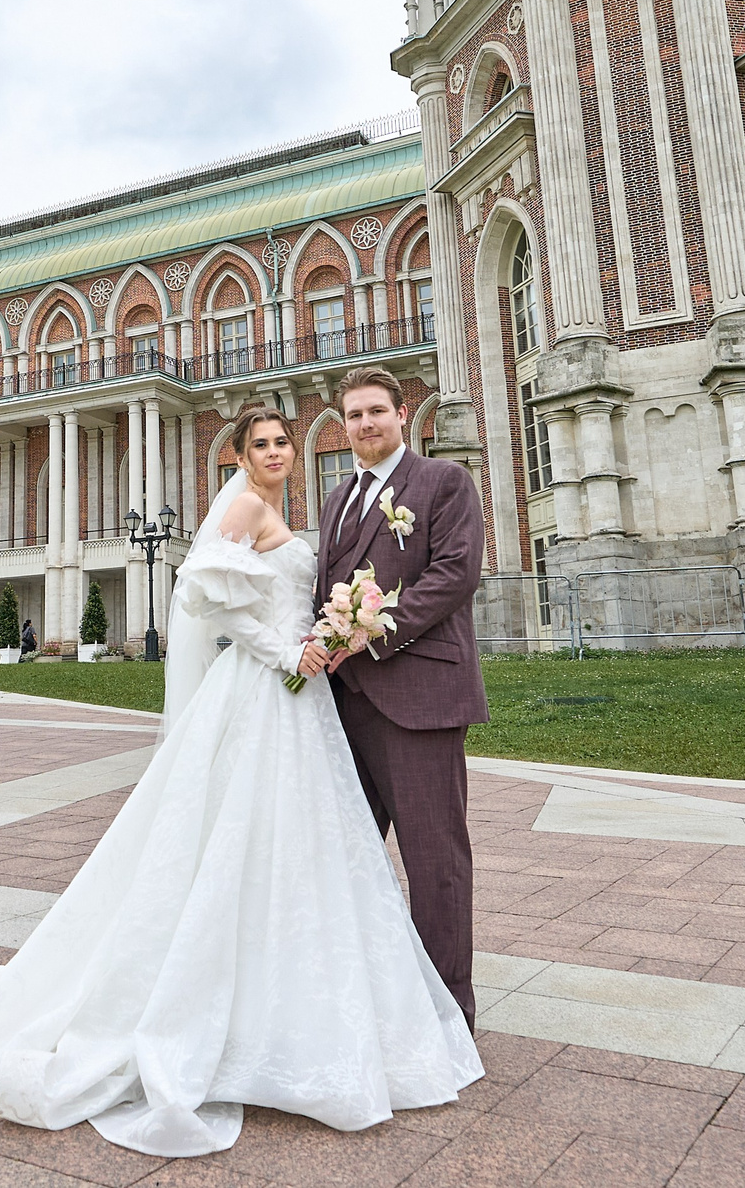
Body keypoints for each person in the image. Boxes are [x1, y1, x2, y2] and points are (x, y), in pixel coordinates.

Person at [0, 406, 478, 1157]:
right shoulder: (244, 507)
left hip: (306, 701)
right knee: (244, 839)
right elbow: (207, 598)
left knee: (297, 848)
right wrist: (284, 652)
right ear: (239, 456)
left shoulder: (300, 509)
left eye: (282, 442)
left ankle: (297, 996)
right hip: (269, 687)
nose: (275, 452)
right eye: (260, 444)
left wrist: (321, 635)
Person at [300, 366, 489, 1033]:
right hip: (344, 704)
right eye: (354, 415)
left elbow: (455, 574)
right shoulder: (337, 498)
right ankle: (371, 1000)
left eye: (377, 411)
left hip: (420, 697)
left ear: (402, 414)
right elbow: (326, 585)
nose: (366, 424)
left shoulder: (443, 482)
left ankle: (448, 1015)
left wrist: (370, 632)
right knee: (347, 861)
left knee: (435, 863)